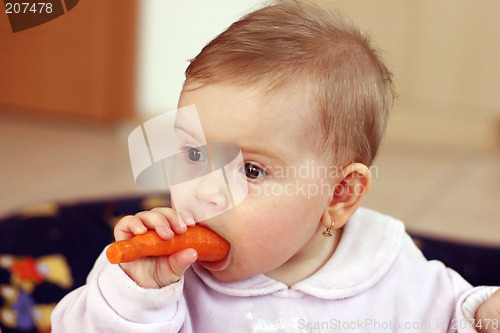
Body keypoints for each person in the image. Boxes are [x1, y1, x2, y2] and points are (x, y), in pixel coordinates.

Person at [51, 0, 500, 331]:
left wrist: (484, 315)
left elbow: (454, 316)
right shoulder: (158, 274)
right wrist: (137, 299)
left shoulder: (385, 263)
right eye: (193, 154)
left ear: (339, 195)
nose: (204, 191)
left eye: (251, 171)